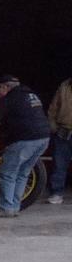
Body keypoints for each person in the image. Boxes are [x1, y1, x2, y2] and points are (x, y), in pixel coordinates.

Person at [0, 74, 53, 216]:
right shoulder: (30, 95)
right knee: (23, 173)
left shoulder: (9, 99)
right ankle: (14, 207)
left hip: (25, 139)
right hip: (43, 138)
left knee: (6, 173)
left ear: (4, 87)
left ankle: (5, 208)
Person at [48, 75, 72, 203]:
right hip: (63, 130)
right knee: (59, 164)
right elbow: (53, 108)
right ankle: (56, 193)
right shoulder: (64, 85)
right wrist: (53, 127)